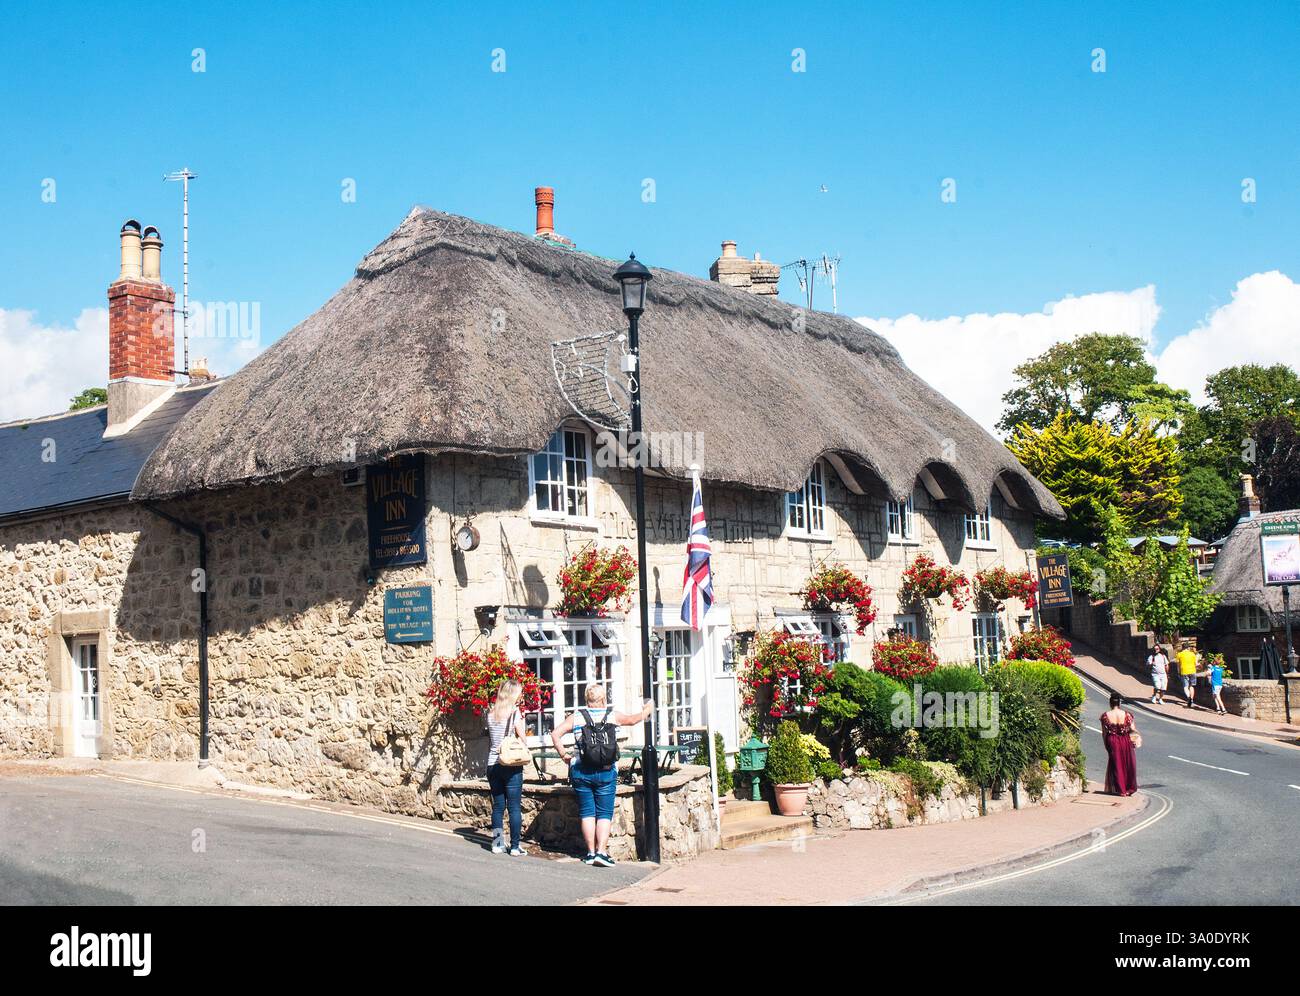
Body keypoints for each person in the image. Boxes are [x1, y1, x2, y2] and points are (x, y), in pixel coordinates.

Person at [550, 684, 652, 867]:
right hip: (606, 772)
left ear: (586, 699)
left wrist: (564, 755)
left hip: (581, 771)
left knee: (587, 812)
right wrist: (647, 710)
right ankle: (602, 852)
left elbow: (555, 733)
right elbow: (633, 720)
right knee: (604, 813)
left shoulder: (577, 716)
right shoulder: (613, 715)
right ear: (604, 699)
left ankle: (590, 853)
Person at [483, 679, 529, 856]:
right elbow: (522, 738)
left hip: (493, 764)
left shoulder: (490, 713)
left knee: (498, 806)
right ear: (513, 695)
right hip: (510, 763)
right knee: (515, 807)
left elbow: (492, 740)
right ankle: (515, 846)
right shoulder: (515, 714)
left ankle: (497, 843)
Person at [1100, 692, 1139, 796]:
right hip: (1125, 740)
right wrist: (1134, 742)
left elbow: (1104, 733)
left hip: (1112, 740)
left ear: (1110, 703)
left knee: (1117, 764)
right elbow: (1133, 729)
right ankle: (1129, 788)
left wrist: (1106, 745)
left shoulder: (1105, 716)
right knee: (1128, 763)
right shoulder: (1127, 714)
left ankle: (1121, 790)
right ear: (1119, 703)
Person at [1175, 642, 1200, 709]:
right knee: (1191, 686)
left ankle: (1189, 697)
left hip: (1184, 671)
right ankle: (1191, 699)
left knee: (1185, 686)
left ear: (1182, 647)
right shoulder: (1192, 654)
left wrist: (1178, 672)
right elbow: (1196, 664)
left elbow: (1178, 665)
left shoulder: (1179, 654)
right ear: (1188, 647)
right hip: (1192, 671)